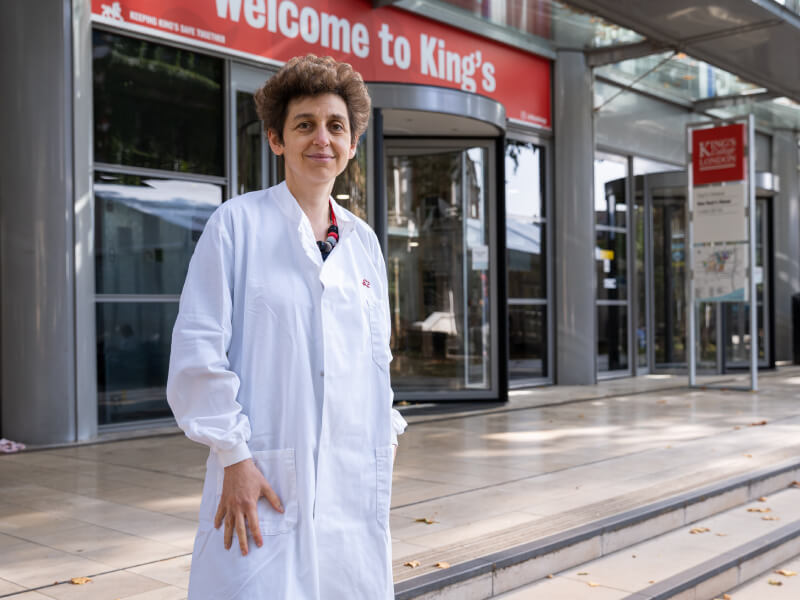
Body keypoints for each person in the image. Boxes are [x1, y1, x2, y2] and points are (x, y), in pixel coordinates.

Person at [167, 54, 407, 600]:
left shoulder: (364, 243)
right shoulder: (236, 225)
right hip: (262, 476)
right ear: (277, 139)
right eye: (305, 125)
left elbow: (378, 361)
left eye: (336, 126)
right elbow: (198, 353)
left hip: (352, 484)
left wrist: (387, 436)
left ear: (352, 144)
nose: (322, 138)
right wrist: (234, 457)